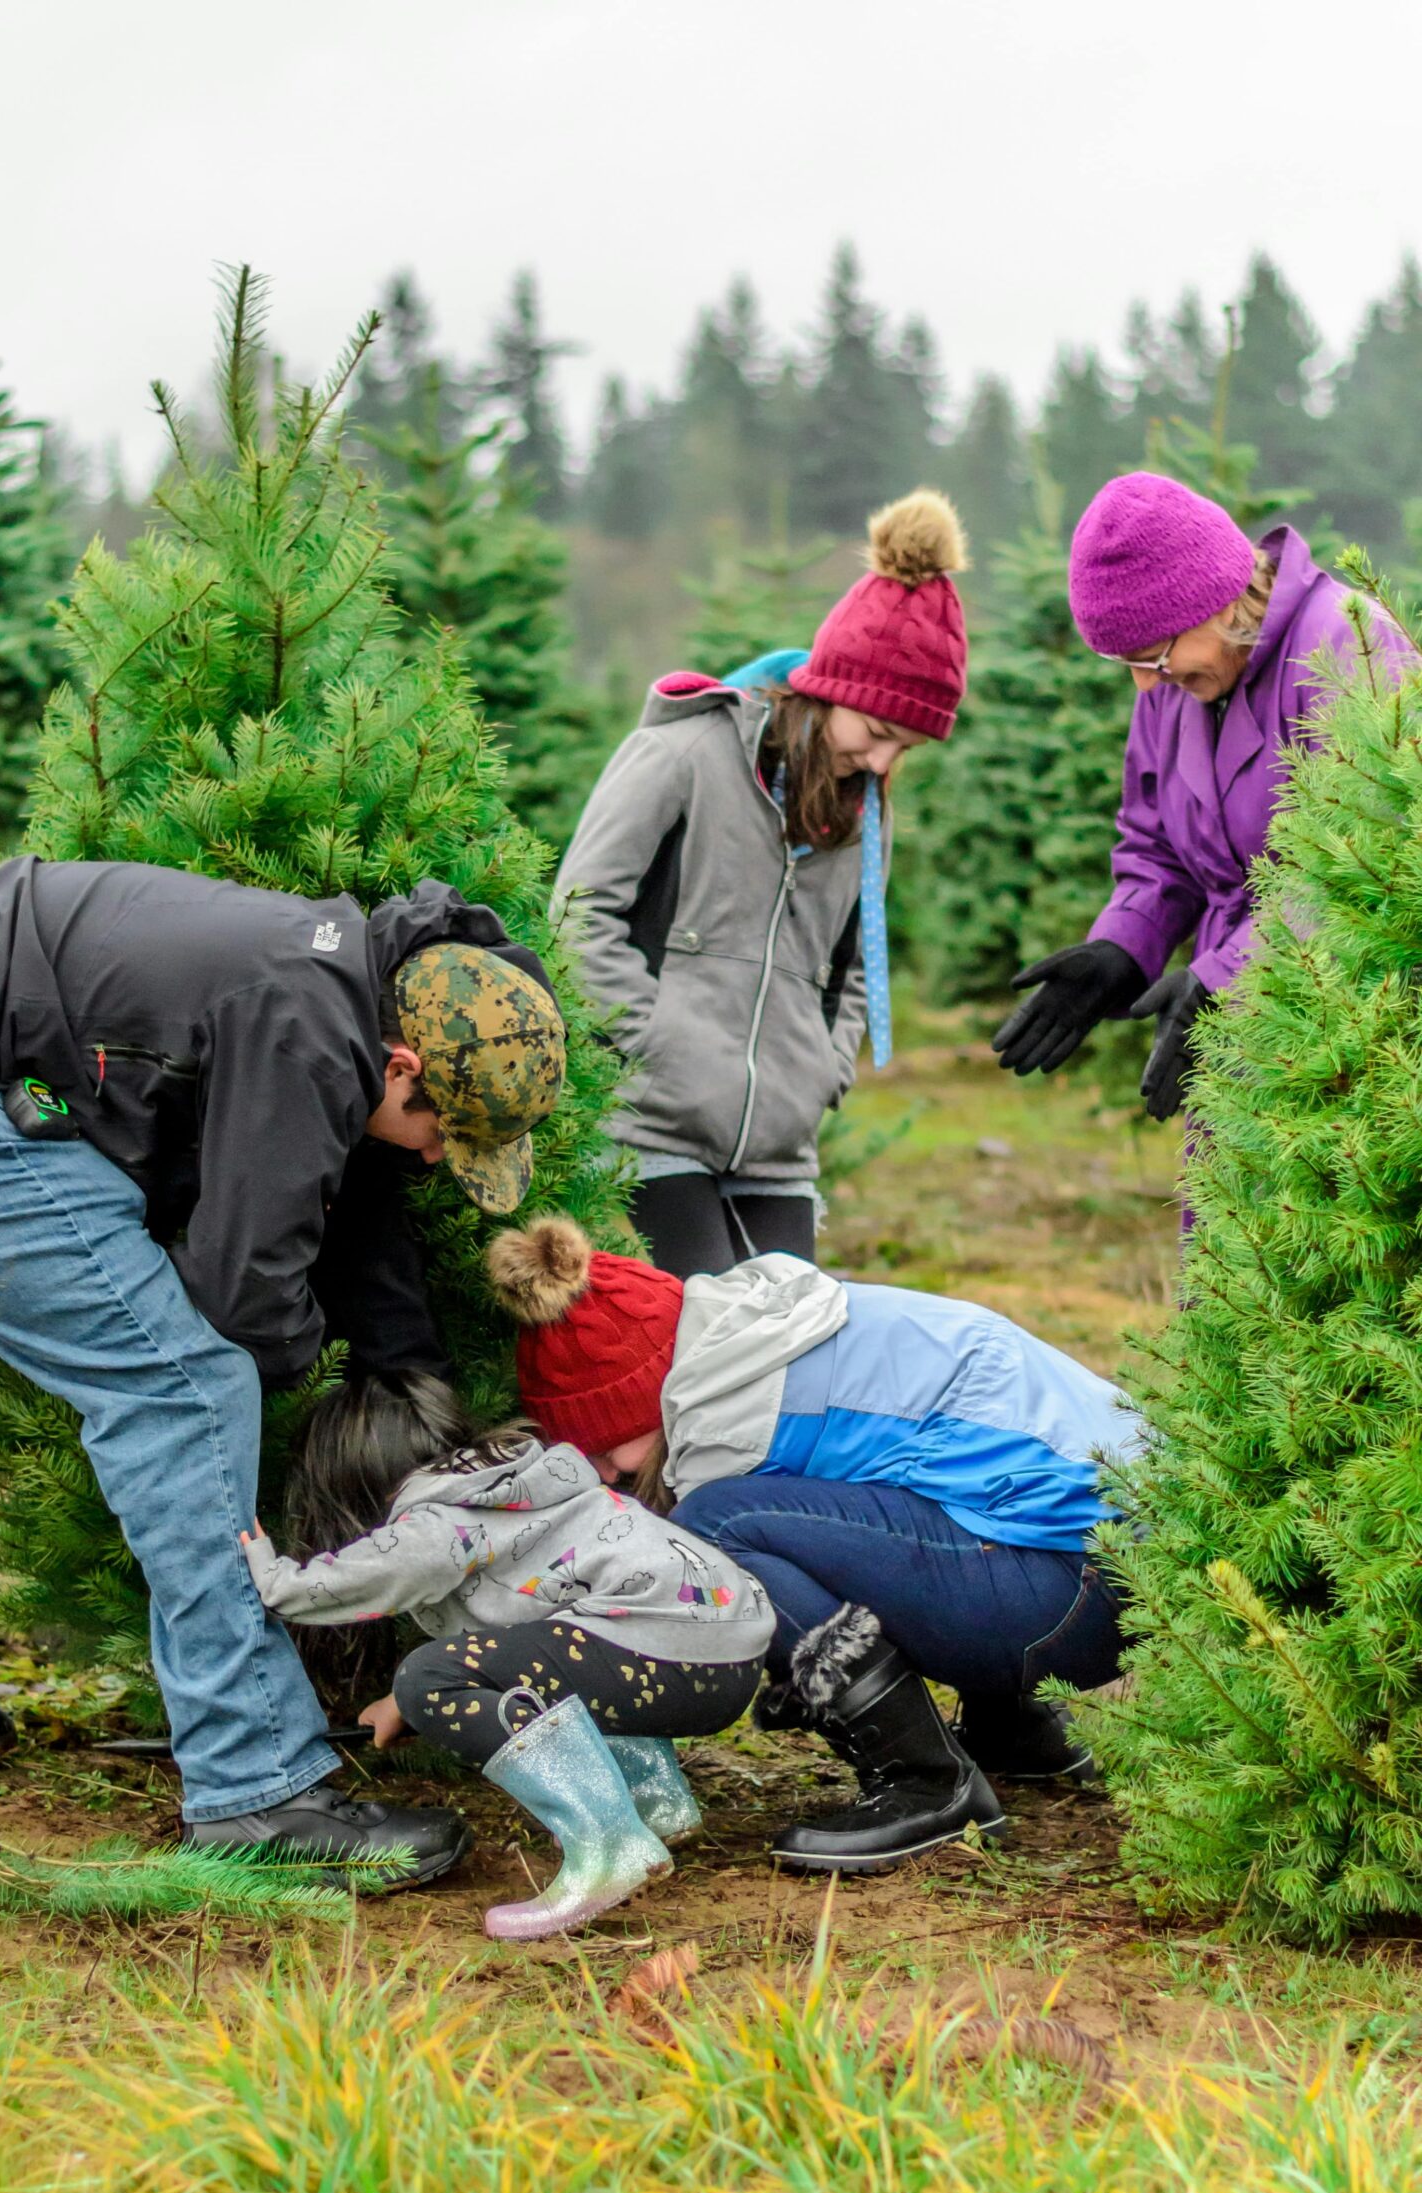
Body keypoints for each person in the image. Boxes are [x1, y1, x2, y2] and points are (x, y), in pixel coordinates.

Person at [0, 854, 565, 1886]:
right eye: (442, 1131)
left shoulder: (325, 972)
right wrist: (303, 1387)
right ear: (401, 1067)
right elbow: (242, 1294)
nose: (435, 1157)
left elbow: (288, 1196)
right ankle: (256, 1782)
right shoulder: (309, 1028)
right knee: (183, 1387)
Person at [486, 1217, 1135, 1875]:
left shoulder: (726, 1423)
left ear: (635, 1401)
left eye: (597, 1446)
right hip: (1121, 1570)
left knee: (711, 1528)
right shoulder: (768, 1327)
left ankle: (927, 1782)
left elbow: (700, 1595)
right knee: (918, 1487)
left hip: (1070, 1599)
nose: (601, 1472)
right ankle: (1013, 1731)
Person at [552, 492, 968, 1279]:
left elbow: (853, 969)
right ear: (830, 690)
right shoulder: (685, 753)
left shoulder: (867, 812)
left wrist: (821, 1071)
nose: (883, 763)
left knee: (790, 1338)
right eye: (877, 733)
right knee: (711, 1332)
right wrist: (647, 1043)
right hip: (652, 1124)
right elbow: (580, 910)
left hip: (779, 1144)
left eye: (905, 749)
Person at [238, 1372, 772, 1939]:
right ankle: (653, 1802)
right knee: (564, 1651)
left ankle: (611, 1847)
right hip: (728, 1652)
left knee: (427, 1676)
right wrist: (399, 1702)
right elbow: (529, 1641)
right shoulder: (516, 1483)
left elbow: (363, 1577)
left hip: (662, 1651)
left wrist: (272, 1577)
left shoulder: (437, 1518)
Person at [993, 470, 1416, 1118]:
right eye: (1126, 663)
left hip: (1358, 1029)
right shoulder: (1174, 685)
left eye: (1152, 655)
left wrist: (1226, 978)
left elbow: (1365, 858)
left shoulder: (1346, 645)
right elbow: (1157, 845)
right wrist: (1123, 945)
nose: (1144, 684)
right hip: (1234, 1033)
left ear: (1215, 601)